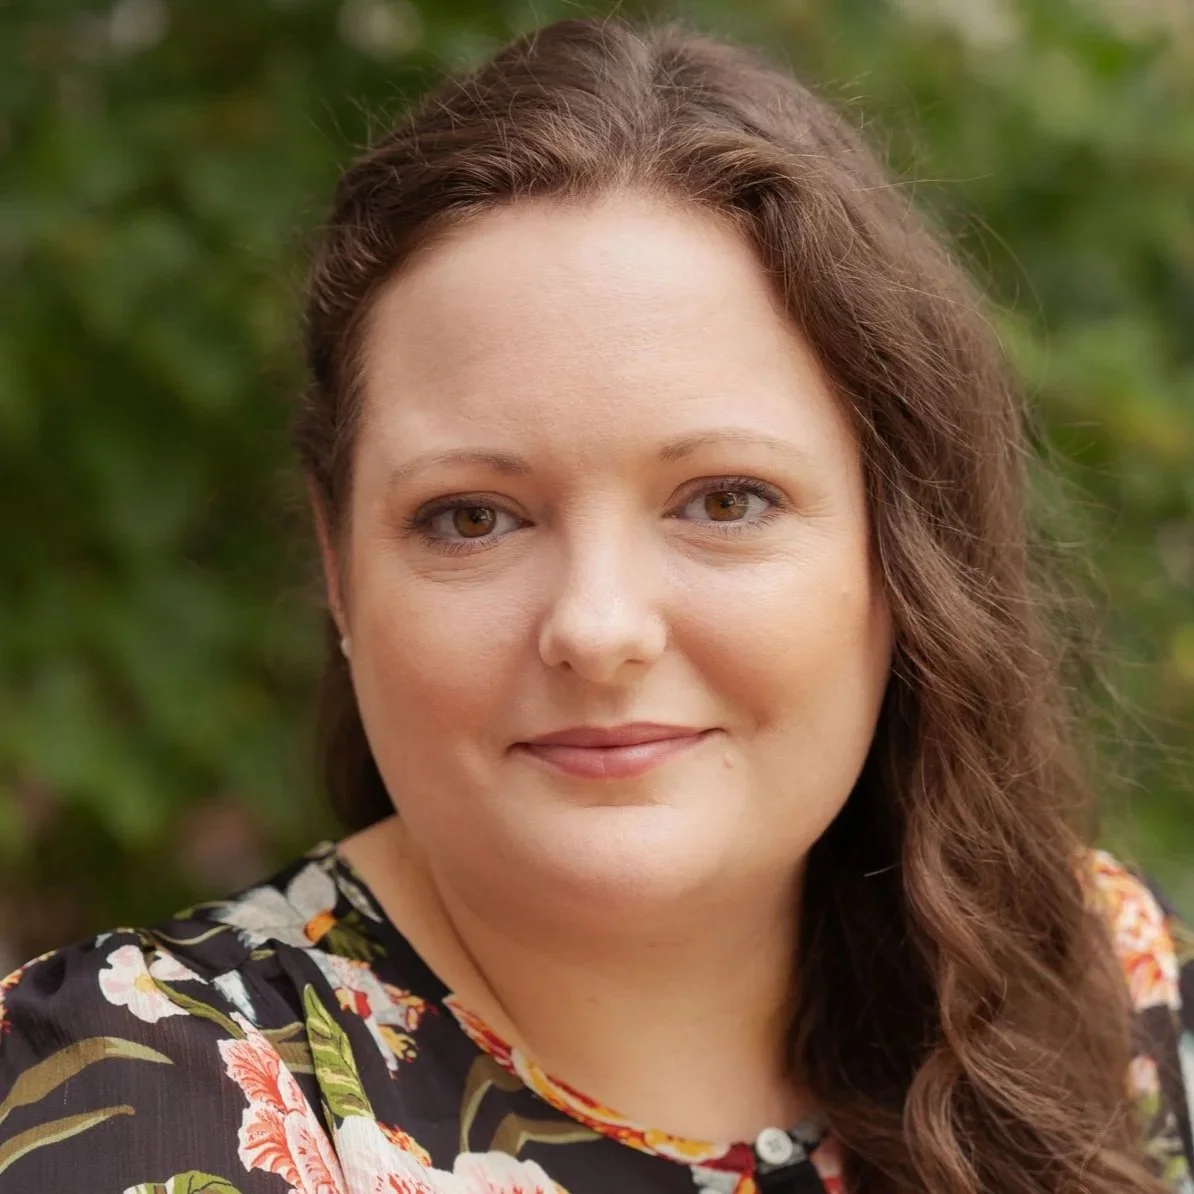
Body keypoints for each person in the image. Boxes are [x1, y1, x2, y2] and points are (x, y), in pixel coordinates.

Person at [1, 15, 1190, 1194]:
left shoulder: (1102, 991)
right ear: (337, 563)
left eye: (724, 500)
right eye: (473, 516)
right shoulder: (125, 1099)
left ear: (903, 547)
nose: (601, 628)